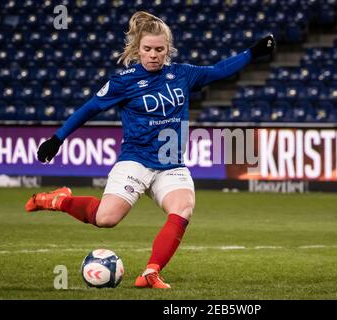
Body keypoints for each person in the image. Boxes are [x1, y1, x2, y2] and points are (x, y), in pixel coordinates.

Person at [25, 11, 275, 289]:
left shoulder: (182, 74)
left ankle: (151, 272)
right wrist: (57, 139)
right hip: (135, 160)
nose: (153, 55)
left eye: (159, 49)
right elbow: (89, 109)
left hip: (171, 164)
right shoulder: (124, 81)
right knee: (105, 219)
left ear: (167, 49)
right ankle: (58, 200)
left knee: (183, 208)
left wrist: (252, 53)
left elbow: (219, 71)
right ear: (137, 49)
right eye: (147, 49)